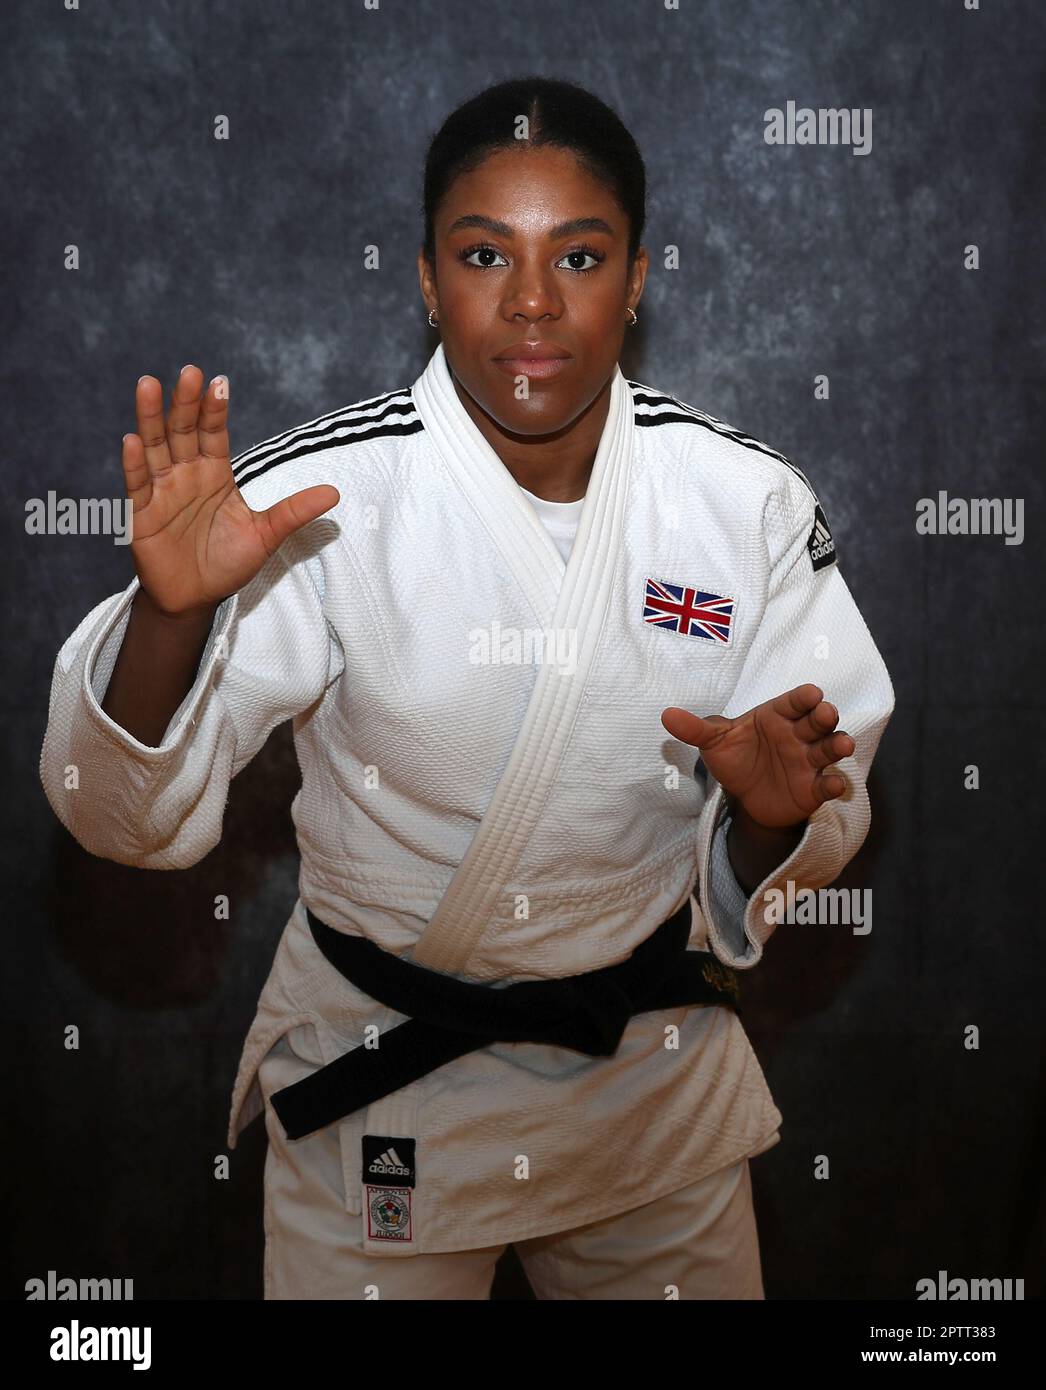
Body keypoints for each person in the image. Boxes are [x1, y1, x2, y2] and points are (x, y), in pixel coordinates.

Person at [39, 75, 895, 1300]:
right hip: (385, 1076)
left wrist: (766, 815)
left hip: (641, 1082)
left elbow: (824, 793)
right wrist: (173, 620)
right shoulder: (325, 502)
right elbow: (111, 816)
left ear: (639, 278)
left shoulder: (740, 503)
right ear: (427, 280)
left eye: (581, 255)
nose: (533, 302)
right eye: (485, 253)